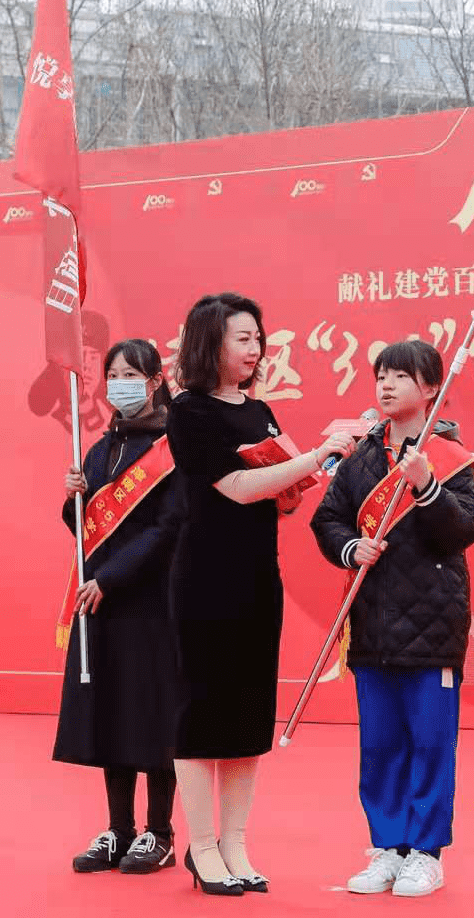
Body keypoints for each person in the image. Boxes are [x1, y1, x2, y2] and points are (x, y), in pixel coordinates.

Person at [165, 292, 355, 896]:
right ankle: (200, 846)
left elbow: (282, 490)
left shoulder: (261, 410)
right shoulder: (189, 411)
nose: (253, 348)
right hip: (204, 582)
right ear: (209, 342)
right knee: (203, 714)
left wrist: (308, 471)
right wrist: (310, 458)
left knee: (248, 716)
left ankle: (235, 842)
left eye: (256, 337)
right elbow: (240, 485)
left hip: (256, 581)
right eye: (241, 338)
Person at [309, 340, 474, 899]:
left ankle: (425, 853)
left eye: (401, 377)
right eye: (381, 376)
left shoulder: (451, 457)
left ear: (430, 388)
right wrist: (349, 548)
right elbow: (327, 519)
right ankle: (388, 846)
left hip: (433, 627)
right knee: (381, 743)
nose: (386, 386)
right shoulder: (360, 456)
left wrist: (426, 485)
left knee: (430, 741)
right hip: (374, 625)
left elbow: (461, 533)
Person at [54, 338, 183, 876]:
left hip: (152, 600)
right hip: (102, 602)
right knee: (110, 711)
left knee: (153, 715)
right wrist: (73, 499)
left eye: (130, 373)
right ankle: (119, 828)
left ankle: (159, 831)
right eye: (111, 375)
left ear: (155, 380)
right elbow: (87, 531)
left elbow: (166, 527)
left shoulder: (174, 446)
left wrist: (112, 576)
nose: (119, 384)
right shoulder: (101, 448)